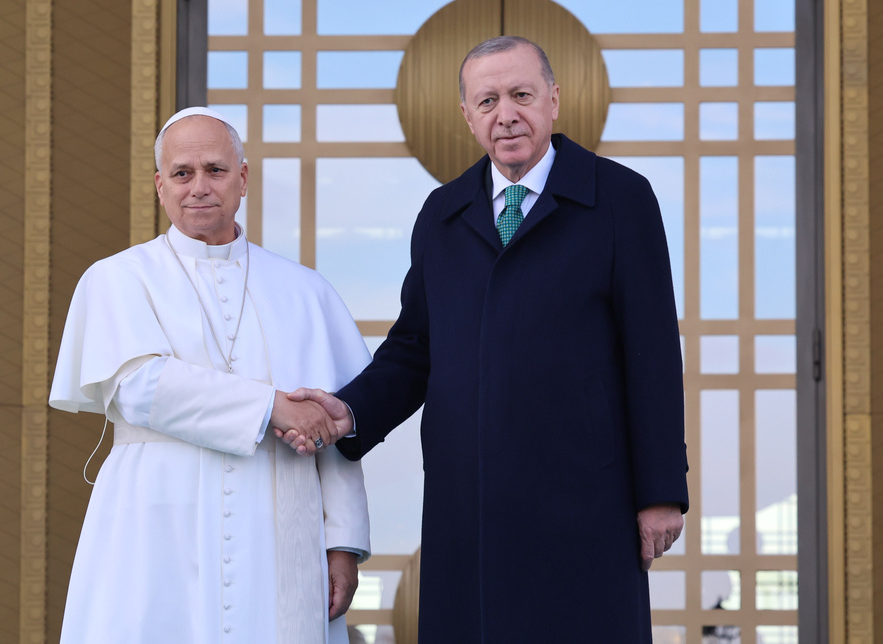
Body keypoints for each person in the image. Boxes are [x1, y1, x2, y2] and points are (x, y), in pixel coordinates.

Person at [285, 37, 689, 642]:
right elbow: (415, 346)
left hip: (585, 502)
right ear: (468, 117)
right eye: (488, 100)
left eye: (522, 95)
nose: (507, 114)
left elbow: (652, 353)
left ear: (553, 100)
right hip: (467, 505)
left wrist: (661, 492)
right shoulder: (443, 215)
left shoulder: (620, 200)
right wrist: (350, 411)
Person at [49, 106, 370, 644]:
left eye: (215, 170)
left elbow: (335, 429)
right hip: (156, 520)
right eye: (182, 173)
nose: (199, 186)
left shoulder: (305, 291)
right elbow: (138, 387)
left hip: (280, 526)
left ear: (243, 178)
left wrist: (343, 543)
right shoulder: (117, 279)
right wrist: (271, 406)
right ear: (159, 185)